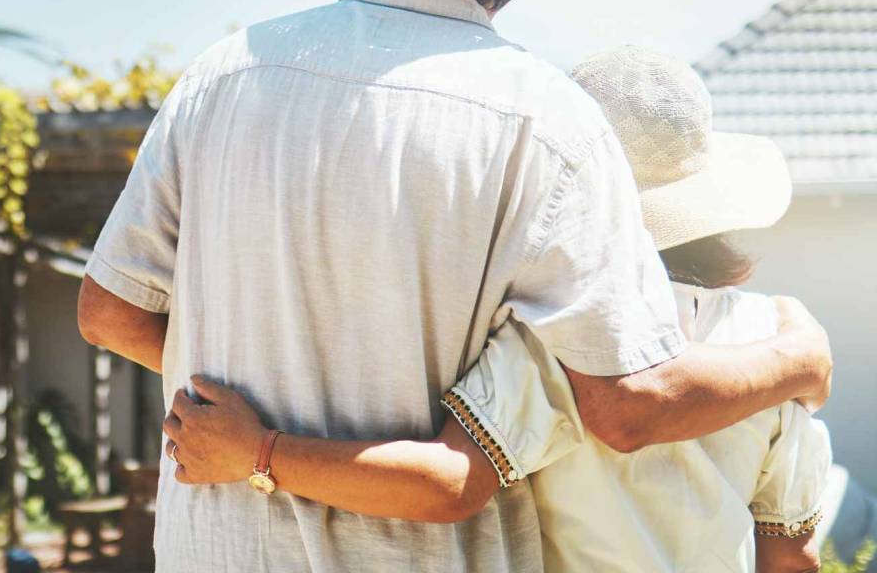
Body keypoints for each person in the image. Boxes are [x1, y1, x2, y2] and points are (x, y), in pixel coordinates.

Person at [76, 0, 833, 572]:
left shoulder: (225, 73)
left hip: (218, 548)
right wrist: (799, 359)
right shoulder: (551, 126)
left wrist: (252, 408)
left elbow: (108, 312)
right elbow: (625, 405)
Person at [165, 47, 832, 572]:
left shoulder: (560, 337)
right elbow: (789, 551)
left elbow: (450, 484)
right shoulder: (772, 340)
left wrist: (256, 452)